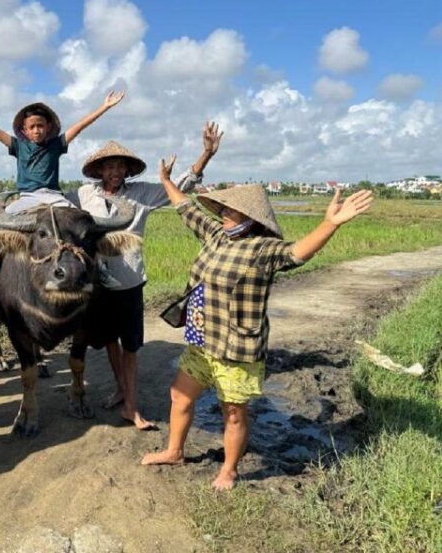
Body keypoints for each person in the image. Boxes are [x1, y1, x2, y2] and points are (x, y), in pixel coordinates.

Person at [142, 158, 373, 490]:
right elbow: (186, 209)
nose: (222, 214)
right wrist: (165, 180)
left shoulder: (263, 249)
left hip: (236, 348)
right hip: (201, 340)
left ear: (249, 219)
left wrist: (330, 224)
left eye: (230, 211)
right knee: (179, 397)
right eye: (222, 209)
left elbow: (297, 253)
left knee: (233, 413)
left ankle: (229, 470)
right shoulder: (216, 236)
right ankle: (174, 451)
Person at [72, 123, 222, 430]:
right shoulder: (84, 194)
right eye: (108, 166)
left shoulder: (143, 194)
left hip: (128, 282)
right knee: (109, 341)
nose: (114, 171)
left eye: (120, 166)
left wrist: (205, 155)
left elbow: (182, 184)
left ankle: (131, 406)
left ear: (128, 171)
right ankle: (120, 389)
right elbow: (56, 207)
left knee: (130, 346)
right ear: (99, 170)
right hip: (96, 284)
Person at [0, 91, 124, 213]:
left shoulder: (57, 144)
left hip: (54, 197)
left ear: (48, 127)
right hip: (27, 197)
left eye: (40, 126)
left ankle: (94, 264)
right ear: (24, 130)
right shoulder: (18, 146)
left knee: (78, 223)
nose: (36, 130)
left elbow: (79, 126)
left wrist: (105, 107)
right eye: (32, 127)